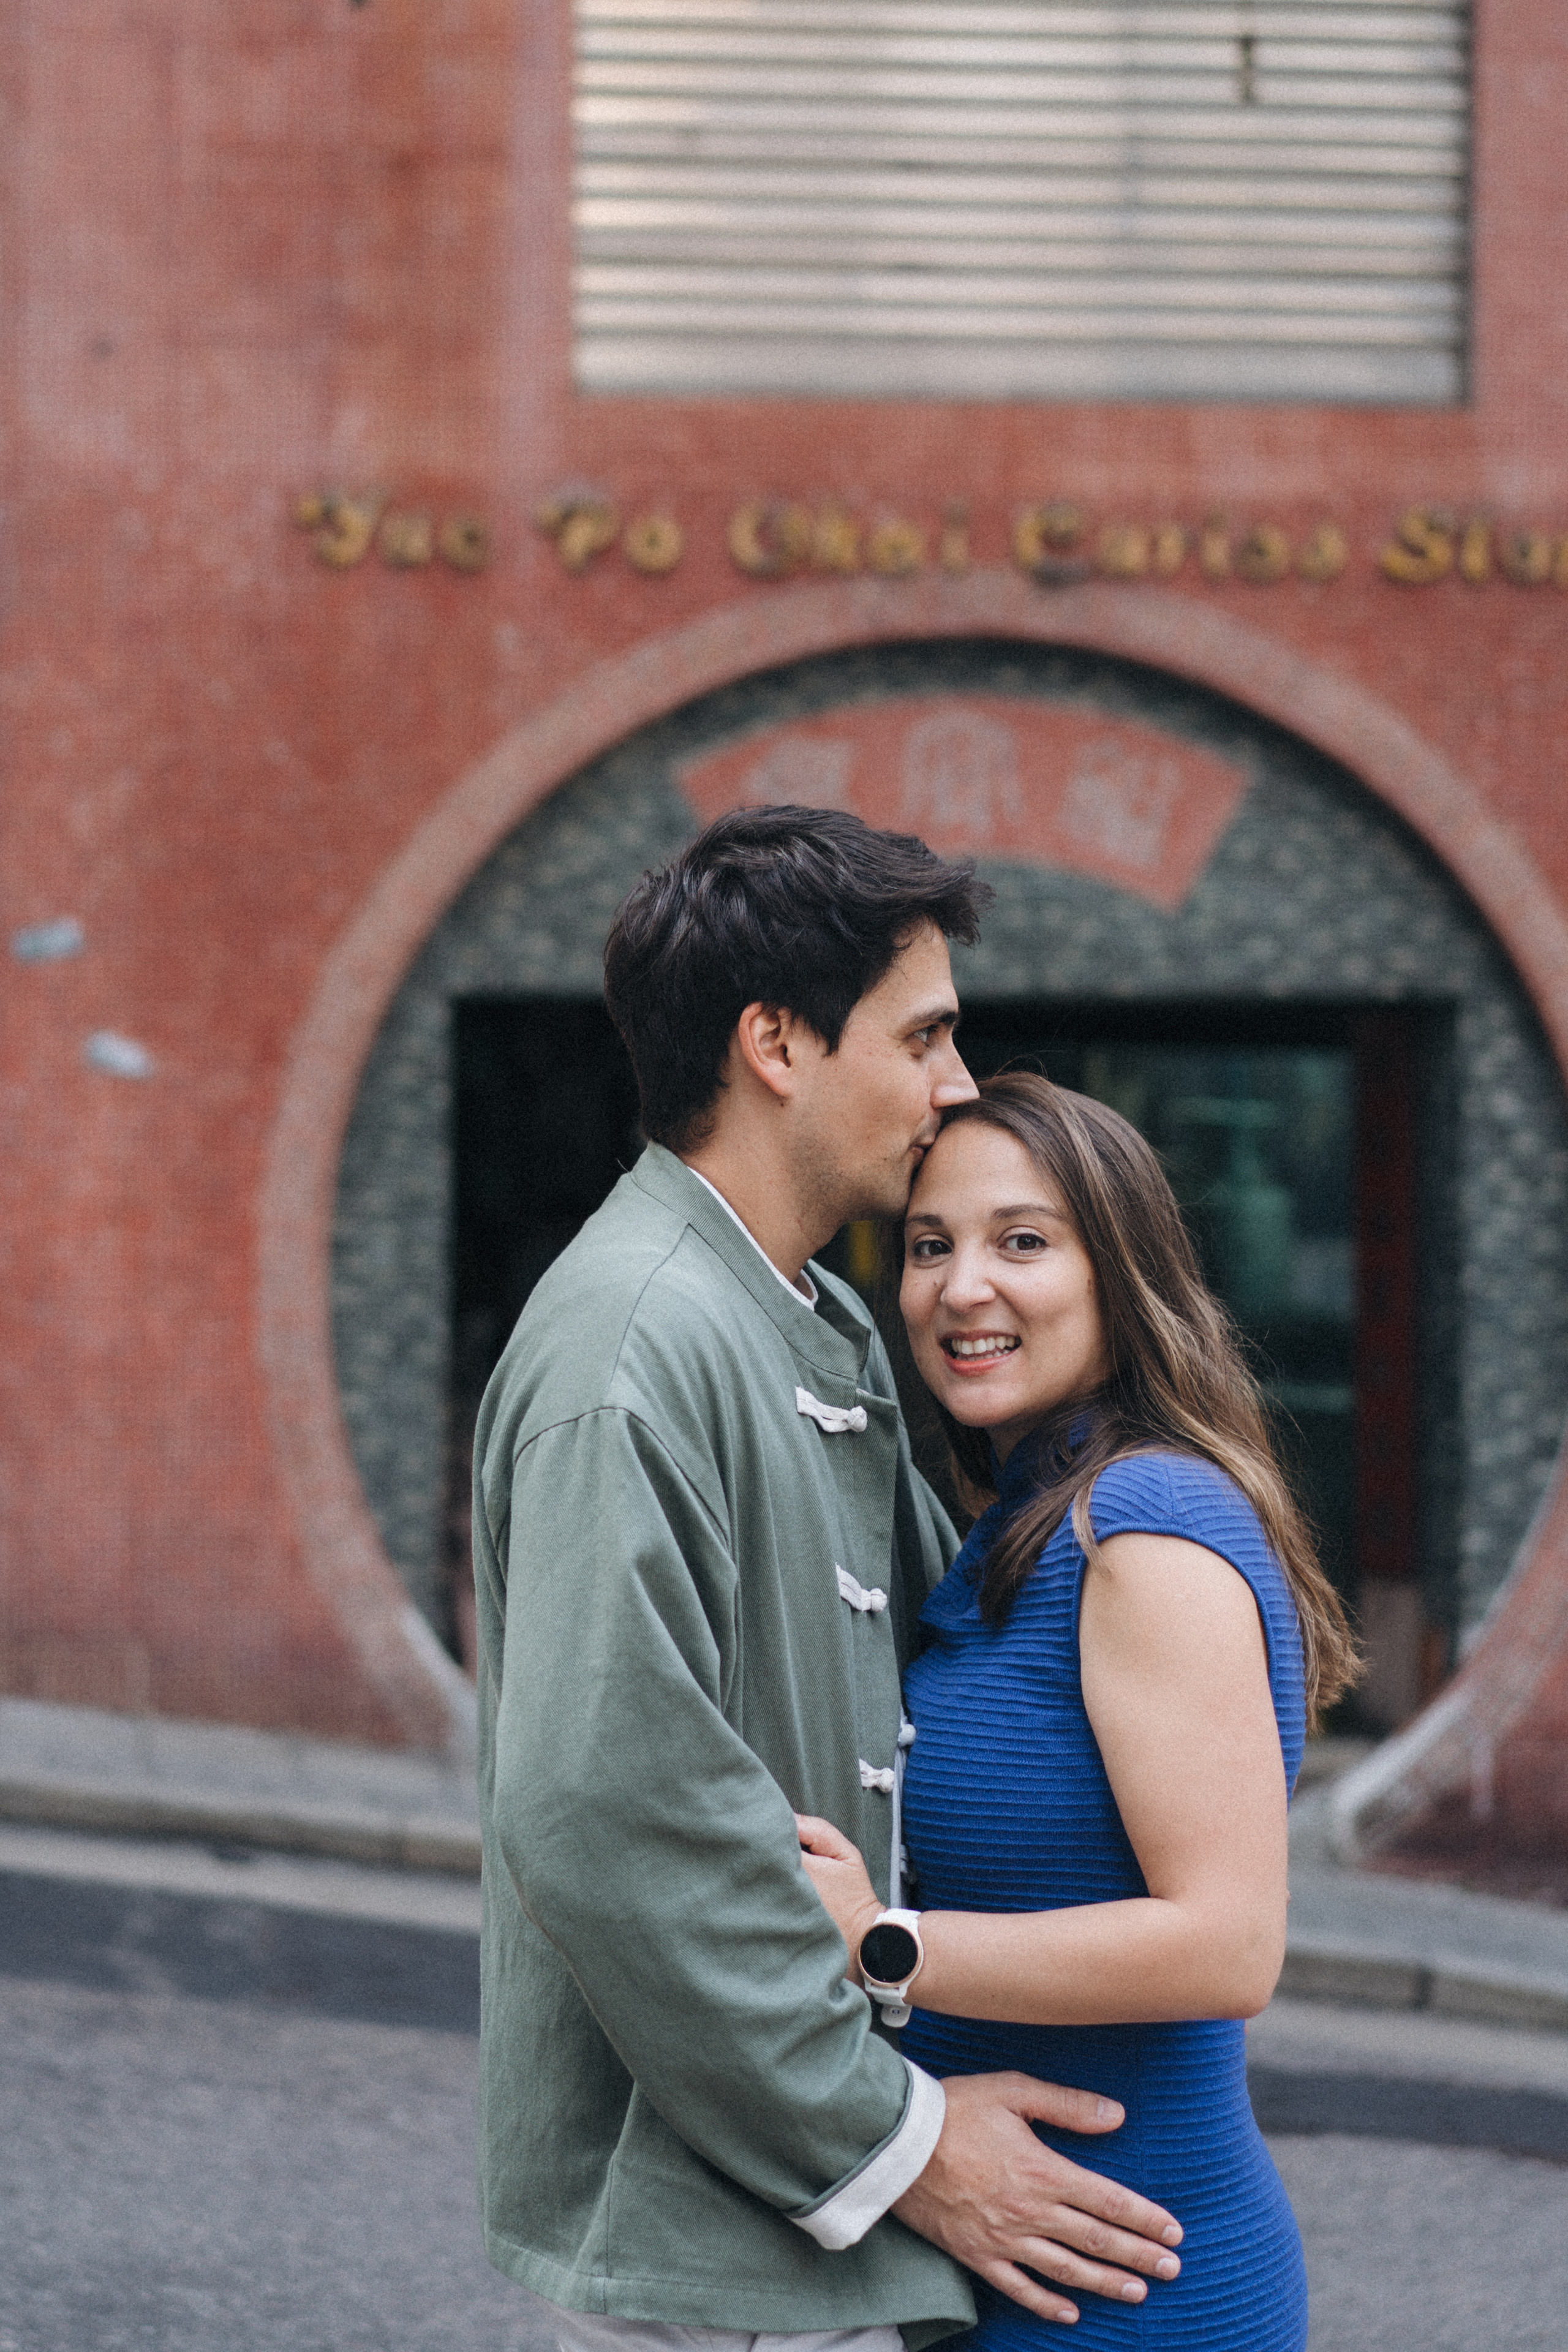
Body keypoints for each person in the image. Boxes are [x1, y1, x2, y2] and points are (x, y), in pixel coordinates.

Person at [472, 810, 1189, 2352]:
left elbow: (966, 1664)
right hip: (705, 2266)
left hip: (800, 2240)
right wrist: (909, 2142)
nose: (951, 1085)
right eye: (922, 1034)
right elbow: (601, 1810)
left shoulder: (819, 1324)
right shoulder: (633, 1342)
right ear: (776, 1043)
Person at [796, 1072, 1360, 2350]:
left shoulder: (1141, 1525)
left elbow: (1226, 1945)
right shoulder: (1024, 1521)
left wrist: (881, 1941)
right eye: (929, 1245)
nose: (960, 1287)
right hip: (1004, 2254)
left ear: (1120, 1273)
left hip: (1126, 2282)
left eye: (1022, 1242)